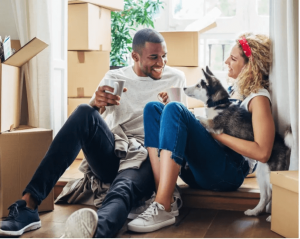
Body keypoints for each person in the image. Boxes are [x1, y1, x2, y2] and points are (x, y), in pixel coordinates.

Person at [0, 28, 186, 238]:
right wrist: (96, 104)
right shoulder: (114, 77)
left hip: (148, 156)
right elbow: (90, 119)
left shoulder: (175, 78)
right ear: (135, 56)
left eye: (164, 56)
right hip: (114, 151)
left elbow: (179, 127)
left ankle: (95, 232)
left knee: (122, 188)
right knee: (83, 111)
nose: (161, 63)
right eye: (154, 57)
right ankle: (28, 205)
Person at [127, 33, 273, 233]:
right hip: (201, 170)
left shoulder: (258, 98)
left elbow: (263, 152)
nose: (226, 61)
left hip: (228, 173)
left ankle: (163, 206)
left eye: (233, 58)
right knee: (153, 108)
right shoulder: (235, 90)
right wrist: (184, 121)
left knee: (175, 109)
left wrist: (216, 134)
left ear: (250, 65)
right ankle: (165, 195)